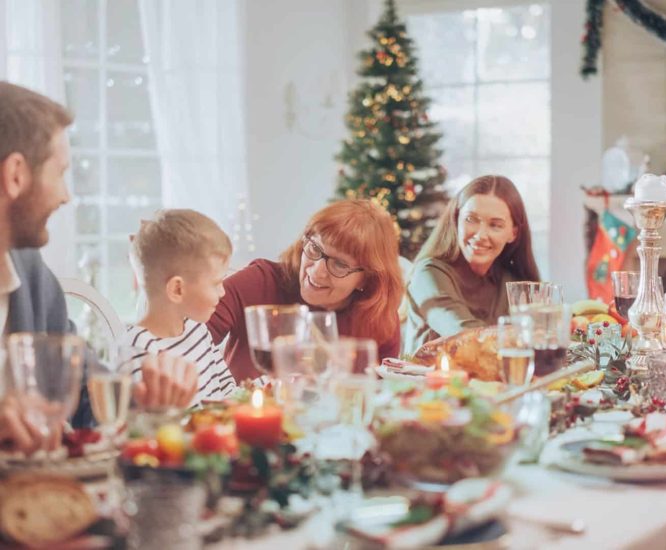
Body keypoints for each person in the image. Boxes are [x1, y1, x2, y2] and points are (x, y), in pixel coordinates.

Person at [0, 81, 196, 454]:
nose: (65, 195)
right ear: (15, 175)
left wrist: (147, 401)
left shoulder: (31, 276)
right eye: (59, 173)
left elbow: (89, 395)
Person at [208, 199, 403, 381]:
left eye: (340, 265)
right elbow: (188, 335)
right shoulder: (259, 282)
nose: (316, 272)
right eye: (315, 249)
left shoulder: (378, 318)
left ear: (366, 279)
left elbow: (381, 398)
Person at [403, 175, 540, 355]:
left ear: (513, 233)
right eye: (471, 219)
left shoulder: (513, 281)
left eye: (495, 225)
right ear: (456, 220)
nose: (480, 234)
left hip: (494, 382)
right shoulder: (428, 274)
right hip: (429, 382)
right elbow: (464, 334)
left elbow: (540, 337)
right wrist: (520, 334)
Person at [127, 209, 236, 403]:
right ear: (177, 289)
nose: (223, 292)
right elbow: (144, 428)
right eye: (216, 283)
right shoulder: (138, 350)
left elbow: (228, 392)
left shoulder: (197, 330)